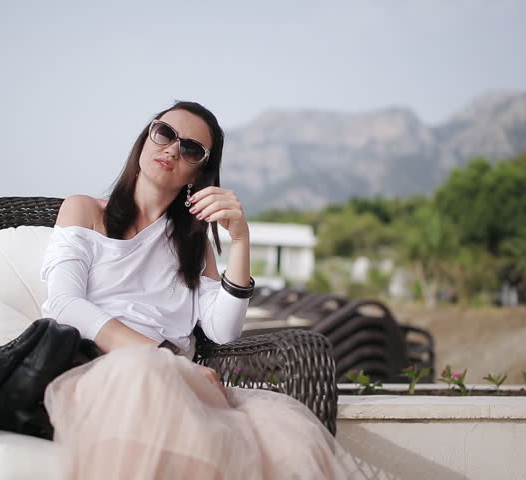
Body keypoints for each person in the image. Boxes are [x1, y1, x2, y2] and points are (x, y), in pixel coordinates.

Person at [40, 101, 354, 478]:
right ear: (145, 140)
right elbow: (63, 303)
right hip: (106, 374)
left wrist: (240, 239)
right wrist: (161, 359)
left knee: (288, 442)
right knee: (144, 376)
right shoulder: (86, 211)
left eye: (190, 148)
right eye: (165, 133)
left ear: (198, 172)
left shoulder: (192, 244)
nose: (172, 148)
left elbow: (223, 331)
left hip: (180, 384)